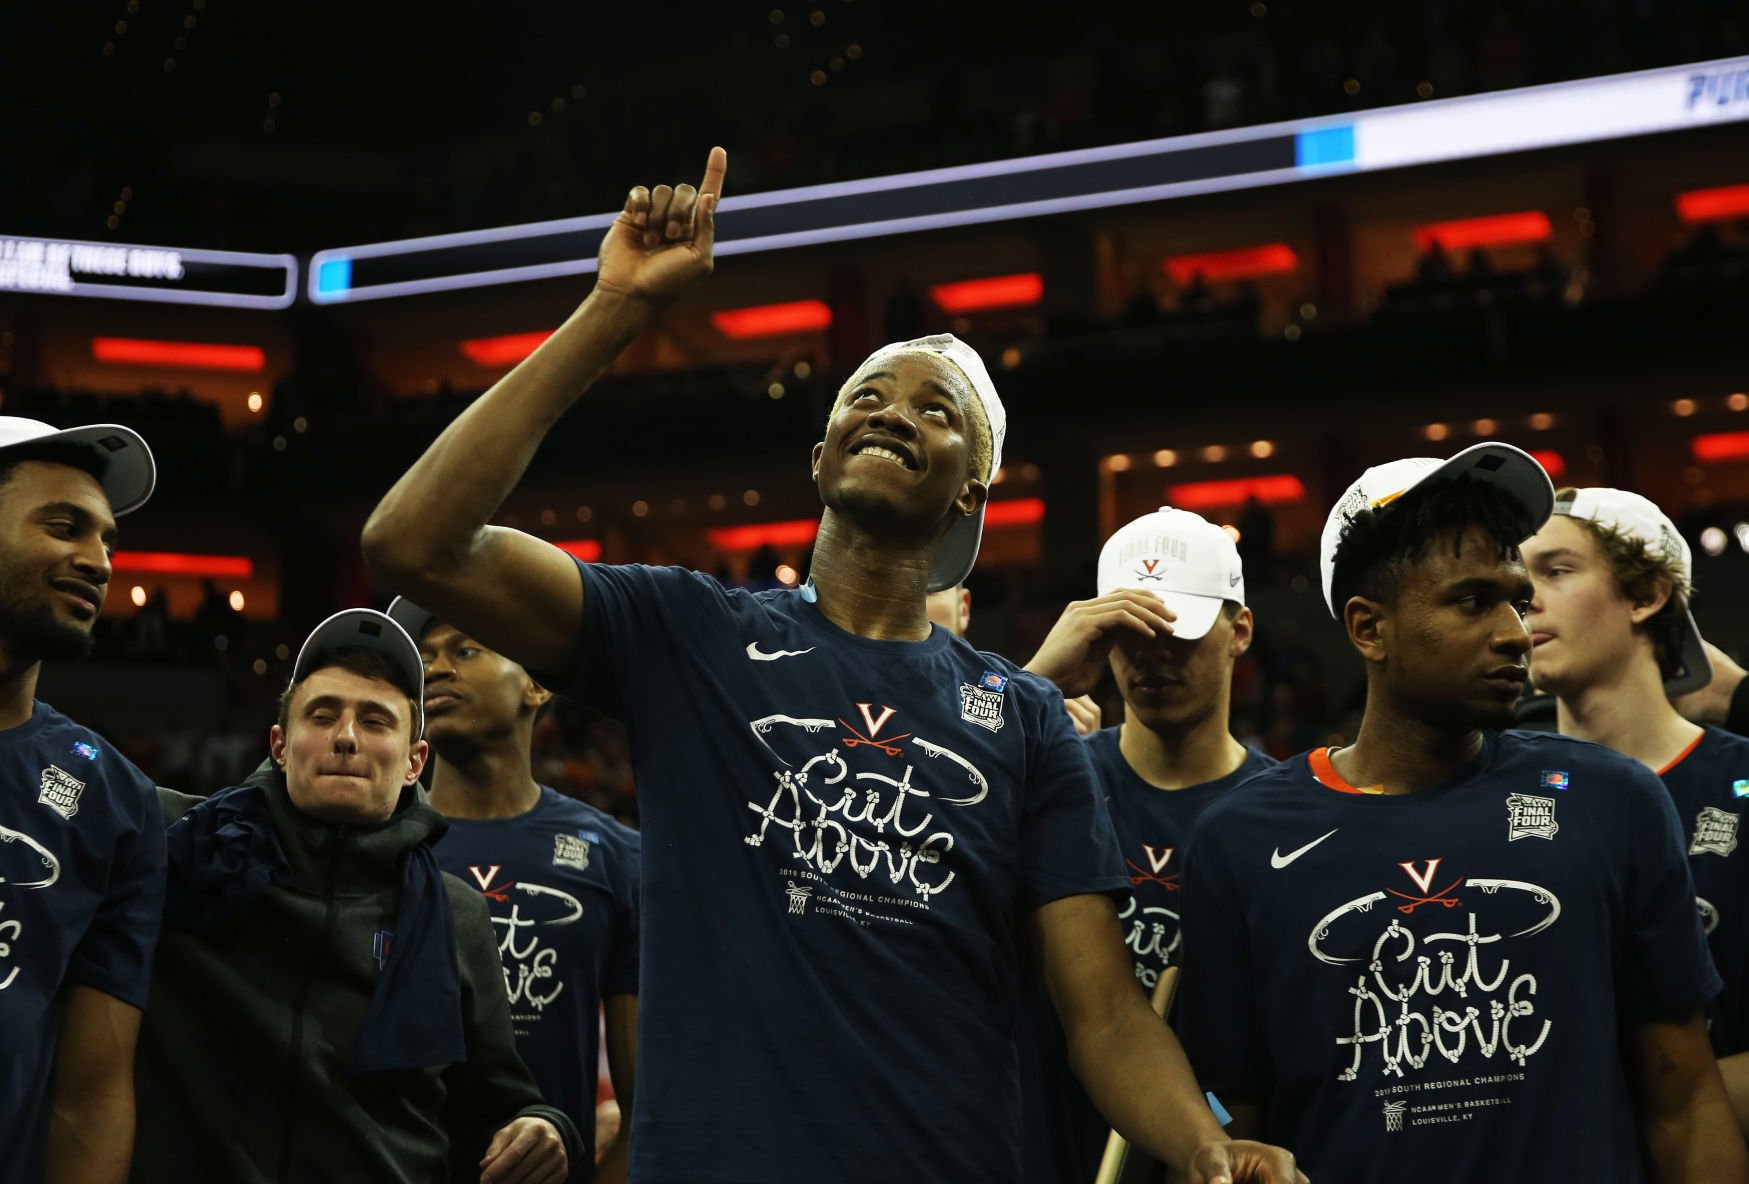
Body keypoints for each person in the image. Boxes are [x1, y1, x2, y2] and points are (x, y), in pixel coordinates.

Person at [362, 147, 1302, 1184]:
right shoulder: (691, 633)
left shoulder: (1026, 720)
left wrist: (1209, 1148)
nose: (895, 409)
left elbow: (1104, 1013)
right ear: (818, 459)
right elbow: (415, 541)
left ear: (968, 499)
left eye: (938, 410)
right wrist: (615, 310)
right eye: (867, 393)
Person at [1175, 443, 1748, 1181]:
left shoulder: (1615, 804)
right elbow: (1228, 1112)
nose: (1514, 632)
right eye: (1473, 602)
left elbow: (1683, 1102)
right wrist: (1216, 1138)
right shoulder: (1239, 841)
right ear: (1367, 628)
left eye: (1515, 599)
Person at [133, 609, 579, 1184]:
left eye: (375, 721)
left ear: (415, 761)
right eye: (322, 716)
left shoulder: (456, 913)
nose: (345, 738)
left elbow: (494, 1101)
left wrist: (543, 1126)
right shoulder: (176, 842)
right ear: (280, 744)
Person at [1022, 507, 1277, 1183]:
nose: (1152, 655)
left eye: (1178, 631)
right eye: (1128, 633)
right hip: (1055, 1143)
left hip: (1227, 1136)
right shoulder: (1050, 782)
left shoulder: (1284, 815)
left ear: (1239, 630)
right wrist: (1033, 685)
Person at [388, 596, 641, 1181]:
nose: (435, 668)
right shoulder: (374, 842)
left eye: (465, 649)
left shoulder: (615, 856)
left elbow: (641, 1107)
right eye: (423, 657)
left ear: (536, 686)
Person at [1521, 487, 1749, 1130]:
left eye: (1556, 571)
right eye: (1518, 577)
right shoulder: (1488, 793)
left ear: (1646, 596)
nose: (1524, 599)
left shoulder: (1741, 780)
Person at [0, 416, 162, 1184]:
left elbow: (92, 1092)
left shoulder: (113, 798)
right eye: (65, 528)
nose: (98, 561)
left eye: (108, 542)